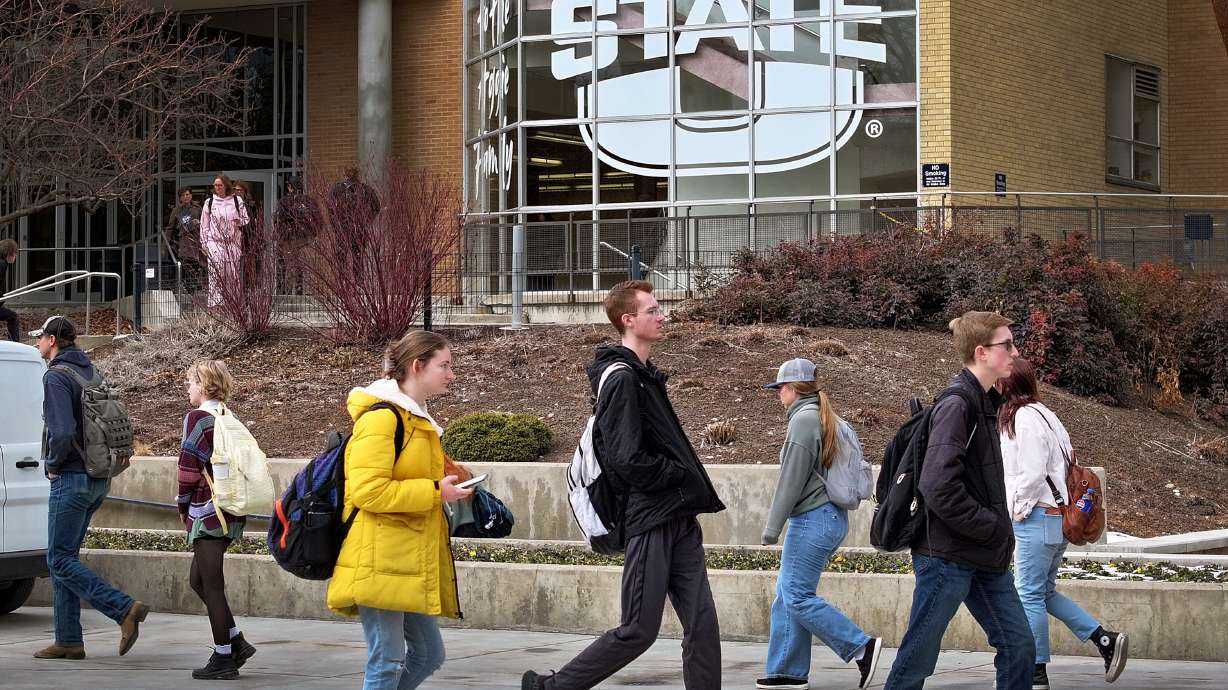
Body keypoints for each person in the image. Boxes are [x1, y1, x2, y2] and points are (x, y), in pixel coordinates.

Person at [523, 280, 727, 690]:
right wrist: (675, 474)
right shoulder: (621, 379)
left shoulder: (644, 375)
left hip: (678, 515)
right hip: (651, 518)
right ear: (628, 320)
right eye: (653, 311)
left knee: (702, 624)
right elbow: (626, 458)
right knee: (638, 629)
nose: (662, 316)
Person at [883, 311, 1035, 690]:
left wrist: (990, 533)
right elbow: (938, 486)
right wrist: (990, 526)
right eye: (1007, 345)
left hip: (982, 555)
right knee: (918, 658)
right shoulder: (958, 404)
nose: (1015, 352)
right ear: (981, 352)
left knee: (1019, 645)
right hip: (947, 556)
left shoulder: (984, 402)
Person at [327, 330, 473, 690]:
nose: (452, 374)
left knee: (428, 655)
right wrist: (435, 492)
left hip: (405, 559)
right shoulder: (382, 419)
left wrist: (449, 485)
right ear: (417, 365)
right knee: (387, 661)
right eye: (444, 365)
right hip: (379, 557)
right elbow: (369, 491)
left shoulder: (416, 419)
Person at [998, 359, 1128, 689]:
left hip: (1037, 517)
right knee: (1044, 592)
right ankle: (1104, 640)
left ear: (1007, 384)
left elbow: (1031, 473)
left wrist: (1016, 509)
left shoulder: (1023, 418)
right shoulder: (1046, 414)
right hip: (1058, 520)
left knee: (1028, 595)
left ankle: (1036, 672)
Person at [757, 357, 882, 690]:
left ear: (794, 388)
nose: (778, 394)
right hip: (829, 518)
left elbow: (791, 479)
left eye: (780, 387)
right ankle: (786, 672)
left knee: (795, 595)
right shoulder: (824, 417)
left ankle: (861, 647)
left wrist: (771, 528)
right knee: (788, 595)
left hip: (813, 520)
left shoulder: (804, 420)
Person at [30, 315, 149, 661]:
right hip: (98, 478)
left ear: (52, 340)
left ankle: (124, 609)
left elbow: (62, 432)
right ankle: (68, 639)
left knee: (58, 558)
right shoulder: (89, 371)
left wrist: (53, 464)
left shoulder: (55, 376)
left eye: (41, 337)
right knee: (65, 558)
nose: (37, 342)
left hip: (70, 478)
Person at [176, 359, 257, 680]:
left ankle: (224, 657)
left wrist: (182, 505)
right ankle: (237, 642)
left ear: (204, 385)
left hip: (208, 512)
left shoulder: (197, 418)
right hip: (231, 510)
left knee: (211, 585)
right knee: (199, 580)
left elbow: (188, 468)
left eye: (191, 382)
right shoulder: (228, 417)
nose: (188, 388)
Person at [199, 175, 249, 308]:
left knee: (232, 274)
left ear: (226, 185)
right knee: (216, 273)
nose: (217, 187)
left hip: (232, 242)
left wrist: (239, 221)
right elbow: (204, 225)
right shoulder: (209, 202)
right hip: (214, 241)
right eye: (215, 185)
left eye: (220, 185)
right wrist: (204, 243)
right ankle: (215, 304)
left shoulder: (237, 200)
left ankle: (233, 304)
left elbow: (246, 219)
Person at [273, 176, 322, 295]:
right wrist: (313, 234)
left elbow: (278, 218)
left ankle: (289, 295)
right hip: (307, 238)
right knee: (306, 266)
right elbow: (319, 220)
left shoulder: (285, 201)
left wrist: (281, 234)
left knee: (291, 266)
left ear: (290, 187)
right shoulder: (309, 201)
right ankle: (305, 292)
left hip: (290, 238)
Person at [328, 166, 381, 268]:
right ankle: (358, 278)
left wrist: (335, 225)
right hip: (360, 228)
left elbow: (330, 209)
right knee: (358, 259)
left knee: (341, 258)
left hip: (342, 228)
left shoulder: (336, 189)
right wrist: (367, 220)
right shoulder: (365, 189)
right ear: (357, 175)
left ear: (344, 175)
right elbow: (376, 207)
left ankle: (343, 277)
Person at [164, 187, 203, 289]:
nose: (185, 197)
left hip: (196, 240)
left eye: (187, 194)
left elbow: (206, 222)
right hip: (183, 241)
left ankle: (195, 285)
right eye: (183, 195)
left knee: (196, 264)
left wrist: (199, 223)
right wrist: (165, 245)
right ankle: (189, 286)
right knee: (186, 264)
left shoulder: (197, 208)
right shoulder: (176, 210)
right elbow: (170, 228)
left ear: (191, 195)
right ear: (180, 198)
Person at [0, 238, 19, 341]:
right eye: (14, 253)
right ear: (9, 253)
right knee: (13, 317)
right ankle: (15, 344)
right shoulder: (2, 264)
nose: (15, 256)